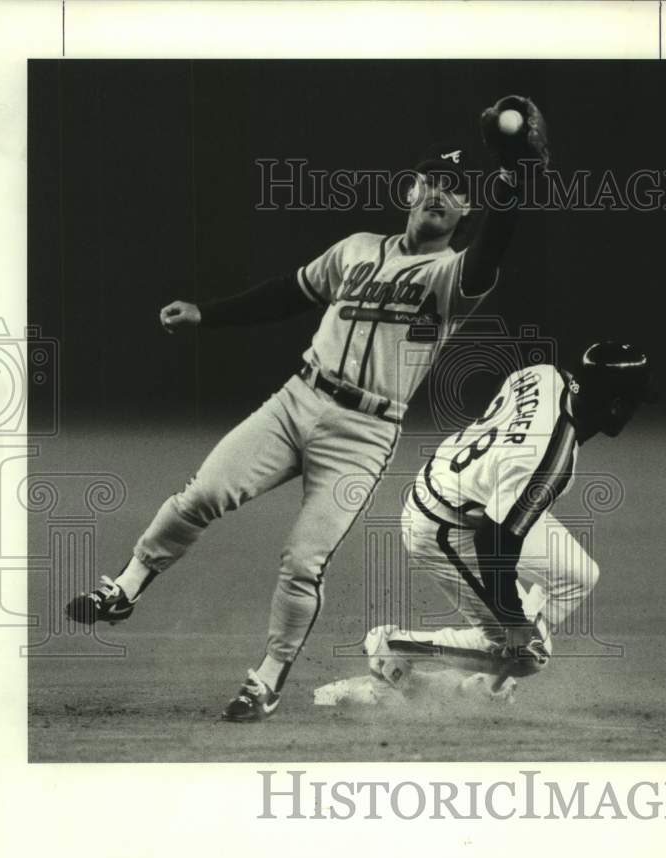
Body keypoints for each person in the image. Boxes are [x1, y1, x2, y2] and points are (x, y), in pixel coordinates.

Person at [65, 95, 550, 721]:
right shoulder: (353, 250)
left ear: (465, 210)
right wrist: (206, 313)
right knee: (201, 495)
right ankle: (124, 588)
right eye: (432, 179)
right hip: (296, 402)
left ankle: (265, 679)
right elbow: (285, 295)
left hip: (364, 433)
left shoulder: (452, 277)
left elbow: (494, 248)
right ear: (412, 190)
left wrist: (511, 179)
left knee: (302, 561)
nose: (440, 192)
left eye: (456, 189)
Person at [364, 341, 656, 697]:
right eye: (632, 404)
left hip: (473, 493)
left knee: (578, 575)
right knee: (530, 655)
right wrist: (514, 620)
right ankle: (393, 645)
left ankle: (488, 681)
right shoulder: (551, 459)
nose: (634, 412)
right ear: (614, 406)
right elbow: (493, 541)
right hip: (443, 524)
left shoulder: (545, 375)